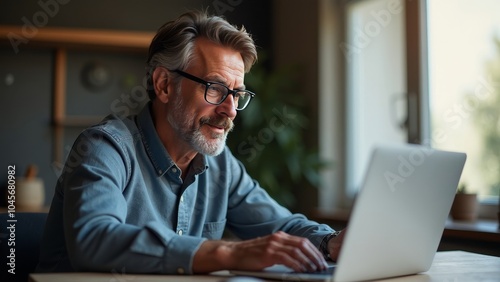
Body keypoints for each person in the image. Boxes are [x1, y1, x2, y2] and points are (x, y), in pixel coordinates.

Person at [36, 10, 345, 275]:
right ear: (164, 84)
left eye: (237, 94)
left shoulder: (221, 166)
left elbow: (282, 226)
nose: (229, 110)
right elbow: (94, 239)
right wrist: (227, 253)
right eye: (215, 89)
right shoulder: (104, 148)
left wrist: (331, 242)